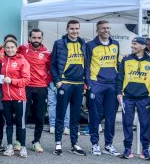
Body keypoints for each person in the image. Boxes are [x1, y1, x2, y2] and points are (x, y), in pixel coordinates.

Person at [50, 20, 87, 156]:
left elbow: (87, 64)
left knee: (75, 116)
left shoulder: (83, 43)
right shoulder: (59, 43)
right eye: (72, 29)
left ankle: (74, 144)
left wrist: (86, 82)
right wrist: (57, 82)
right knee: (60, 114)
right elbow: (52, 65)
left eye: (77, 29)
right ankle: (58, 143)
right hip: (64, 83)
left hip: (78, 84)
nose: (74, 31)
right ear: (67, 29)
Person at [85, 20, 121, 156]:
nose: (106, 30)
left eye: (108, 28)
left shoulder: (116, 44)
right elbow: (87, 65)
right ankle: (95, 144)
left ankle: (108, 145)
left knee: (111, 116)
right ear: (97, 30)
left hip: (112, 84)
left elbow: (117, 63)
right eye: (103, 28)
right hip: (97, 84)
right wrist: (89, 83)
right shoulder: (90, 45)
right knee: (95, 115)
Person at [116, 37, 150, 159]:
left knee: (144, 124)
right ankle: (128, 149)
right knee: (127, 123)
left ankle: (146, 149)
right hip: (128, 97)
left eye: (135, 44)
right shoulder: (126, 59)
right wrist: (119, 92)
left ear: (143, 46)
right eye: (132, 44)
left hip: (145, 97)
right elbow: (120, 77)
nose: (132, 46)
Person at [18, 29, 51, 153]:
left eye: (38, 38)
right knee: (22, 115)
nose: (36, 40)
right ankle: (19, 141)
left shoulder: (47, 53)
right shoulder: (22, 49)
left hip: (41, 88)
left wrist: (46, 81)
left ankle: (36, 141)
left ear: (42, 39)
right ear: (29, 38)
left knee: (40, 116)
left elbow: (50, 69)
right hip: (26, 87)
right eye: (34, 38)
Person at [1, 38, 31, 157]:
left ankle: (23, 147)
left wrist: (12, 80)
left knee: (20, 123)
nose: (10, 50)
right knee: (8, 123)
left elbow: (26, 80)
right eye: (7, 47)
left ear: (16, 48)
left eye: (12, 47)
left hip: (19, 97)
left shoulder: (22, 60)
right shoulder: (1, 60)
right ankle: (9, 146)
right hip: (5, 98)